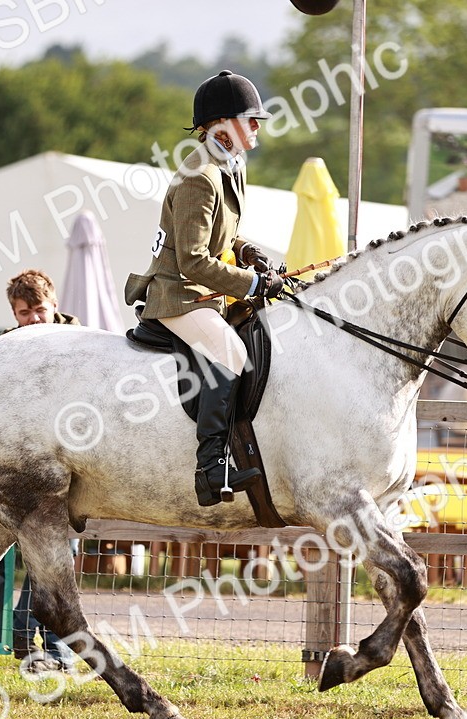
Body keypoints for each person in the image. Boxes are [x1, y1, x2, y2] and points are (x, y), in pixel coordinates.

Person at [123, 70, 282, 506]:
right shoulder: (199, 175)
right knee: (232, 351)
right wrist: (251, 283)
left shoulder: (229, 167)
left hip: (205, 291)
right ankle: (211, 467)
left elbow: (223, 238)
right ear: (223, 125)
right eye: (251, 120)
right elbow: (193, 259)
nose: (256, 128)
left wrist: (249, 254)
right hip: (179, 294)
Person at [1, 270, 78, 672]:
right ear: (14, 314)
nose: (32, 319)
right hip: (29, 472)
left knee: (57, 560)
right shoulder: (4, 349)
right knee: (50, 561)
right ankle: (54, 651)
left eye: (39, 310)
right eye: (24, 312)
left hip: (78, 469)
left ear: (54, 306)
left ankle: (22, 632)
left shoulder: (81, 342)